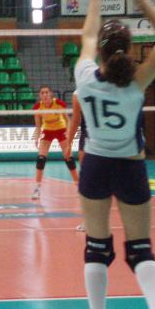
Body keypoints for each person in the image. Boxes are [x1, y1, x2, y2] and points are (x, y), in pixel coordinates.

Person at [75, 0, 155, 309]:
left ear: (100, 53)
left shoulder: (84, 77)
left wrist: (95, 0)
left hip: (96, 166)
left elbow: (87, 36)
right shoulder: (137, 81)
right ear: (130, 50)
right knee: (141, 248)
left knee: (96, 247)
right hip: (131, 167)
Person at [31, 86, 78, 205]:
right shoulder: (38, 107)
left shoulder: (59, 104)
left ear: (51, 94)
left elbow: (68, 121)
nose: (45, 95)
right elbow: (38, 126)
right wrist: (36, 137)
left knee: (69, 159)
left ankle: (78, 186)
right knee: (40, 159)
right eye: (42, 93)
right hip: (47, 132)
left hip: (61, 130)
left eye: (47, 92)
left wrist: (69, 135)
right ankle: (37, 188)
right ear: (40, 95)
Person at [65, 92, 87, 232]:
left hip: (106, 137)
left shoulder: (111, 87)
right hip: (88, 137)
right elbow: (76, 119)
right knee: (87, 180)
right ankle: (89, 219)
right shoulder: (78, 94)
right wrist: (69, 142)